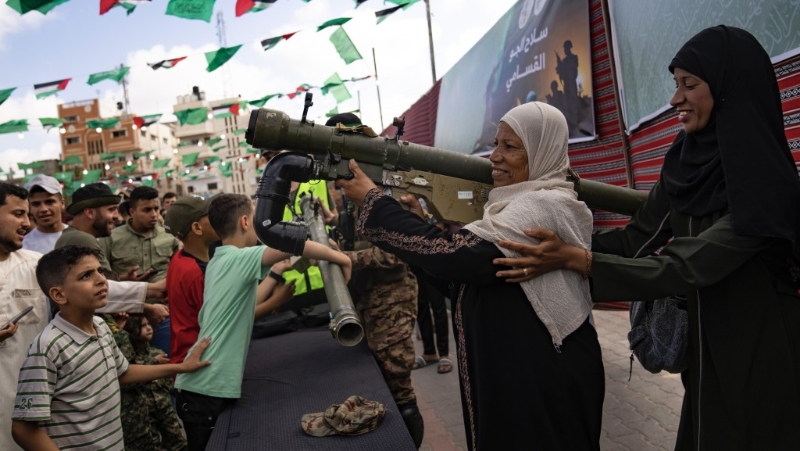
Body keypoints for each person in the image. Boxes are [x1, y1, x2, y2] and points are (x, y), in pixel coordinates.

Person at [498, 26, 800, 451]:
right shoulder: (685, 161)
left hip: (762, 351)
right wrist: (551, 241)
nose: (675, 98)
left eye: (689, 85)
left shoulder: (765, 183)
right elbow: (636, 239)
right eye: (675, 85)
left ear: (729, 88)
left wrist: (576, 261)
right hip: (706, 354)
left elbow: (686, 266)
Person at [338, 102, 604, 450]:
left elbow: (461, 258)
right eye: (496, 144)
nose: (494, 156)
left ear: (542, 150)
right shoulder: (506, 208)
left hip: (545, 376)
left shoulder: (546, 204)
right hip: (518, 373)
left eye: (510, 147)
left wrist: (375, 204)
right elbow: (459, 280)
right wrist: (416, 224)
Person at [174, 193, 352, 451]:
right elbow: (296, 245)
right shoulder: (240, 258)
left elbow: (246, 300)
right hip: (206, 390)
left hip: (200, 388)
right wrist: (343, 258)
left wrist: (276, 274)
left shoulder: (219, 261)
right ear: (245, 222)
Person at [11, 245, 211, 451]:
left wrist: (181, 367)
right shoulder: (48, 347)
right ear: (59, 295)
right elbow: (23, 428)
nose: (101, 280)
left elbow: (122, 372)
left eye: (100, 271)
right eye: (86, 276)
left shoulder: (101, 327)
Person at [54, 183, 169, 319]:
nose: (116, 216)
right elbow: (104, 289)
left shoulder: (73, 236)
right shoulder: (82, 240)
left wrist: (124, 278)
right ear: (90, 213)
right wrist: (154, 292)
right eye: (111, 210)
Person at [102, 186, 180, 355]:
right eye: (147, 210)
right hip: (126, 317)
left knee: (165, 362)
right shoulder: (112, 238)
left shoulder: (170, 237)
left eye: (156, 209)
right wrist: (123, 279)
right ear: (132, 212)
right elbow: (102, 277)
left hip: (164, 314)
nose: (153, 214)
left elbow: (180, 272)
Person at [22, 174, 67, 254]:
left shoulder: (80, 238)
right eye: (36, 204)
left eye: (49, 202)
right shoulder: (24, 247)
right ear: (29, 208)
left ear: (62, 203)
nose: (43, 209)